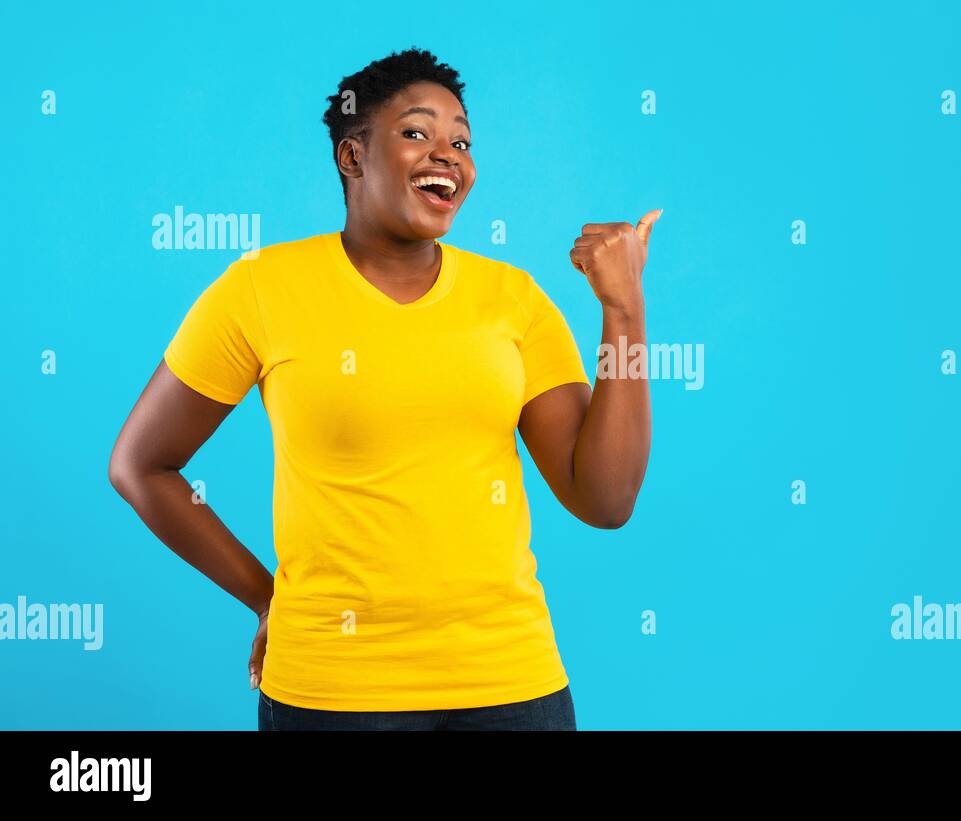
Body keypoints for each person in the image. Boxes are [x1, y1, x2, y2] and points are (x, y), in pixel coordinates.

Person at [108, 47, 659, 731]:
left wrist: (624, 311)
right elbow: (140, 465)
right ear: (352, 156)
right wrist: (264, 596)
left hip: (511, 685)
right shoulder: (260, 289)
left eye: (461, 140)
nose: (448, 155)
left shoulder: (513, 299)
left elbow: (604, 498)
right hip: (333, 692)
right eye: (417, 133)